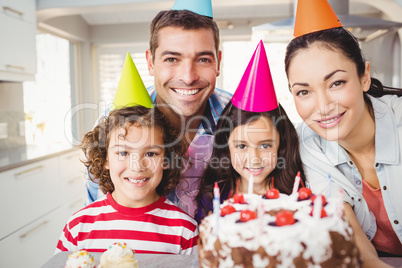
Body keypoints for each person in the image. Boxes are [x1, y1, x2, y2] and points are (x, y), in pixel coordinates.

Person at [284, 0, 402, 265]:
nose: (323, 107)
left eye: (336, 82)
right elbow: (347, 228)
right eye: (304, 91)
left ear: (364, 77)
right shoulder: (308, 142)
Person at [86, 4, 232, 217]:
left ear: (217, 62)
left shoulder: (239, 117)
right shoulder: (113, 125)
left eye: (203, 59)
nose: (188, 76)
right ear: (151, 62)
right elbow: (100, 216)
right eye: (172, 59)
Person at [56, 105, 198, 254]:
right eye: (123, 152)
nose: (137, 167)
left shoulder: (185, 231)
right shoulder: (78, 227)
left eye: (151, 154)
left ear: (166, 159)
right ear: (105, 159)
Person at [195, 41, 306, 223]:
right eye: (241, 146)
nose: (254, 158)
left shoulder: (295, 195)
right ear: (226, 145)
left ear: (282, 144)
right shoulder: (213, 198)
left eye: (265, 145)